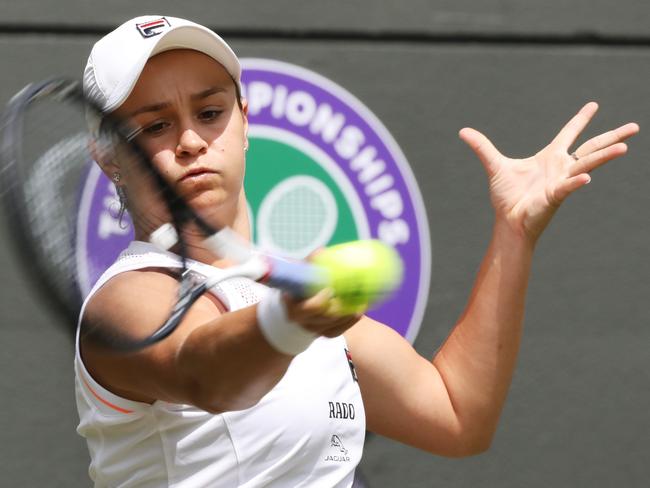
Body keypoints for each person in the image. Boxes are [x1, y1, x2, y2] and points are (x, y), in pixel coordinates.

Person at [75, 14, 639, 488]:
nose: (192, 141)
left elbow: (459, 417)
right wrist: (290, 320)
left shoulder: (285, 298)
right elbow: (205, 376)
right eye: (154, 126)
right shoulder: (127, 301)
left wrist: (515, 233)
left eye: (209, 112)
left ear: (244, 120)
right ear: (108, 156)